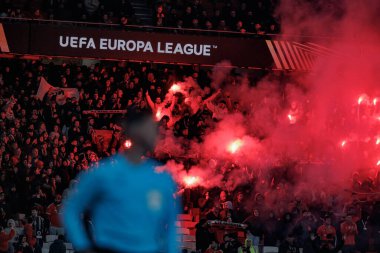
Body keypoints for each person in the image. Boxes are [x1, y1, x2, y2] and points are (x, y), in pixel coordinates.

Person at [62, 111, 179, 253]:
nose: (154, 132)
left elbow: (171, 226)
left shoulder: (162, 179)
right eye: (148, 126)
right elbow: (71, 209)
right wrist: (83, 246)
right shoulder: (102, 173)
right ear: (133, 130)